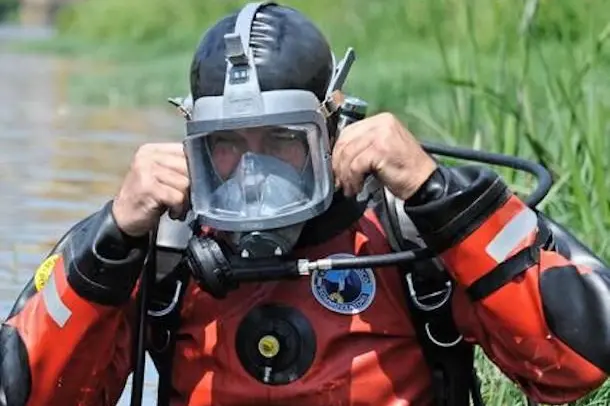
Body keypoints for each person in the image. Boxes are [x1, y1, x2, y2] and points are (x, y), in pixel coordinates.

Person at [1, 2, 609, 406]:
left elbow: (579, 363)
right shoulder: (163, 243)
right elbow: (25, 390)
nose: (255, 171)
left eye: (283, 142)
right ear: (191, 143)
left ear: (332, 124)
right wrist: (113, 235)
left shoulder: (410, 233)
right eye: (228, 147)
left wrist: (435, 194)